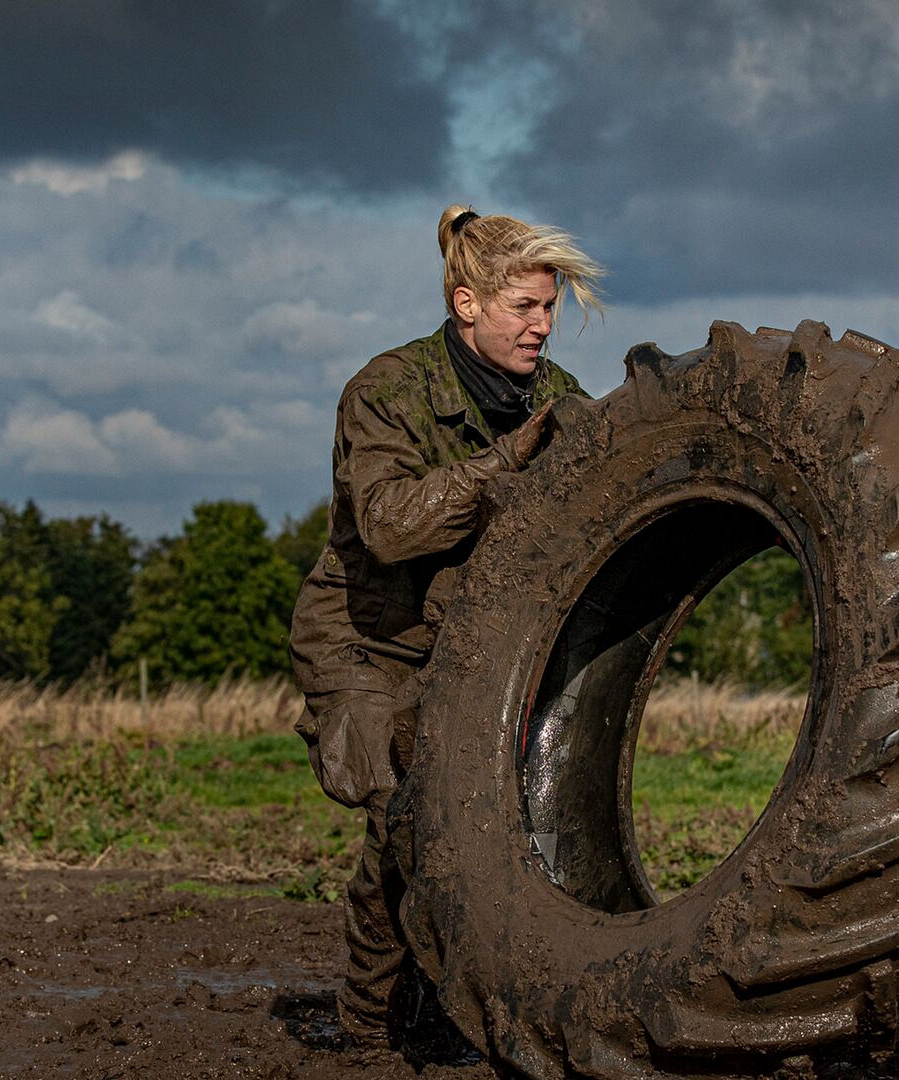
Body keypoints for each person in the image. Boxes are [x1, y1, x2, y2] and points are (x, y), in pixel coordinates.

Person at [288, 204, 604, 1044]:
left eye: (550, 309)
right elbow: (390, 526)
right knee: (407, 817)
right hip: (363, 640)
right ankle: (365, 1025)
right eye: (524, 309)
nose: (543, 327)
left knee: (472, 830)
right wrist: (509, 461)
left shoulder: (561, 401)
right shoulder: (387, 390)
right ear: (468, 304)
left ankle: (436, 1004)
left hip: (468, 651)